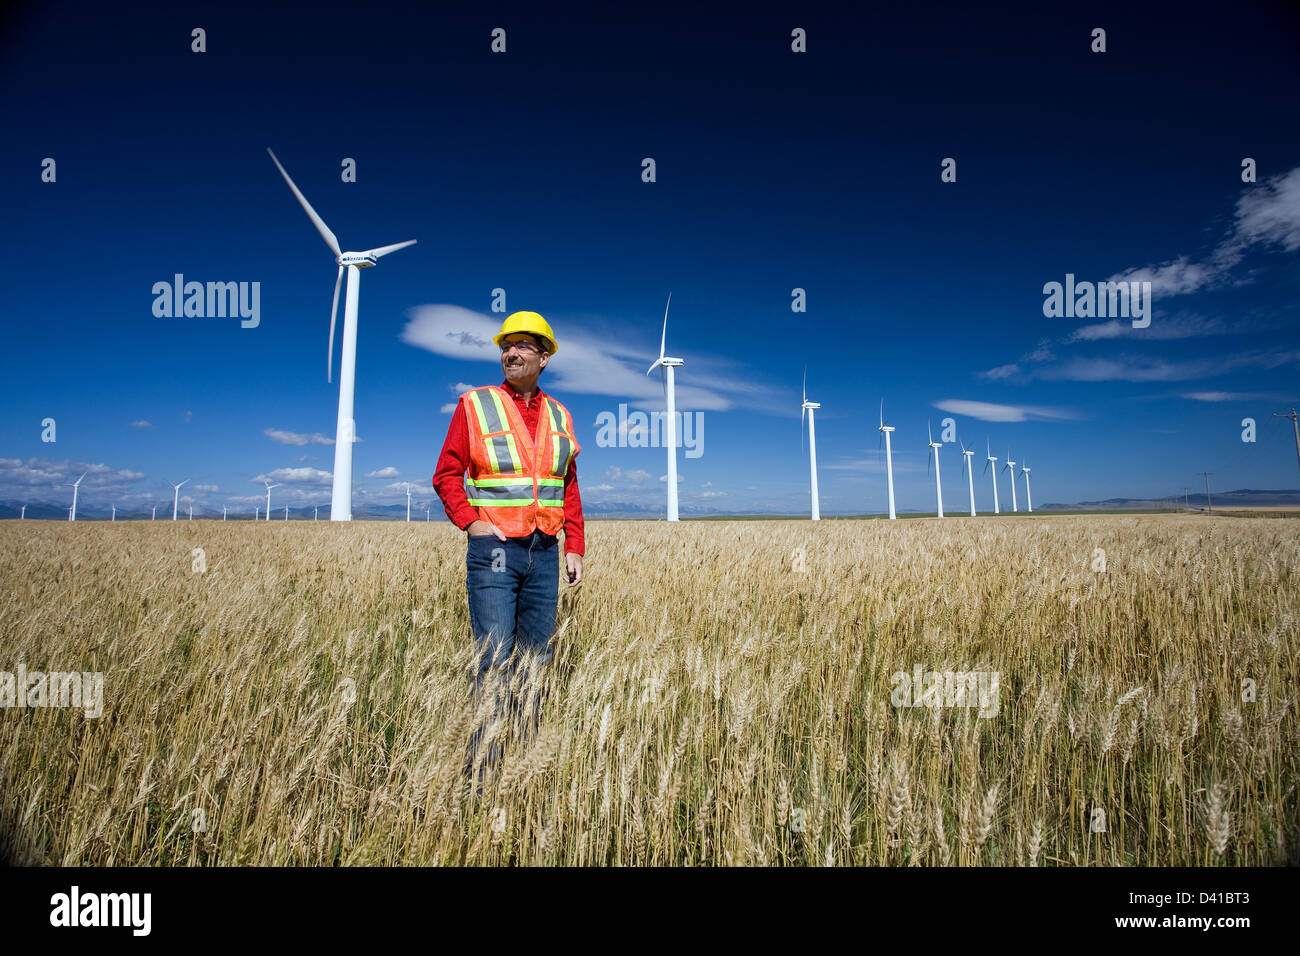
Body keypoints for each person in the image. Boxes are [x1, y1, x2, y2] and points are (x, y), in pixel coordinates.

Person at [431, 310, 584, 789]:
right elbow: (446, 474)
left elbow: (569, 484)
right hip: (495, 552)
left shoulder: (560, 415)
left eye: (522, 345)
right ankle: (480, 777)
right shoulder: (475, 405)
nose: (510, 352)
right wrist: (472, 524)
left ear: (543, 357)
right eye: (505, 345)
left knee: (536, 660)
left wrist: (574, 544)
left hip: (545, 552)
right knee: (494, 659)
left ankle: (524, 767)